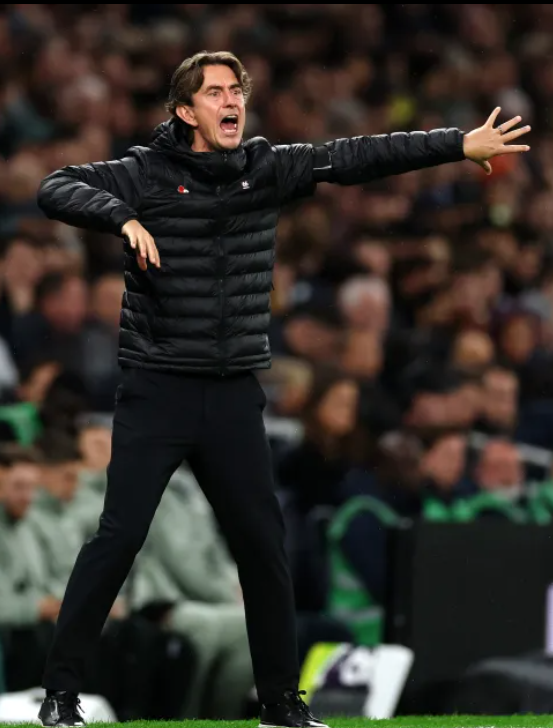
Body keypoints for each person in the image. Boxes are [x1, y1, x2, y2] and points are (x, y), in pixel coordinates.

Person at [35, 50, 530, 728]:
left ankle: (279, 704)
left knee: (264, 545)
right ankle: (60, 695)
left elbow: (357, 156)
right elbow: (55, 186)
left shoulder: (265, 167)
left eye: (236, 90)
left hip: (233, 391)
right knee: (119, 539)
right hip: (158, 388)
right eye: (215, 92)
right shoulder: (144, 172)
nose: (231, 101)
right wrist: (121, 217)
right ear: (185, 111)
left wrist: (455, 144)